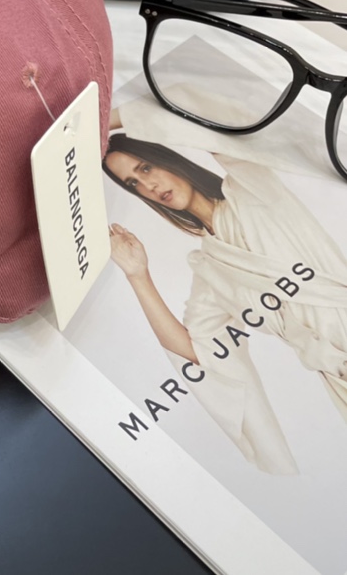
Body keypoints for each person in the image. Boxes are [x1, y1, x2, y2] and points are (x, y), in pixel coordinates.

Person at [104, 88, 347, 474]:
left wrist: (100, 125)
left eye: (145, 168)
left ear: (164, 156)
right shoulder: (209, 269)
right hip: (339, 379)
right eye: (133, 184)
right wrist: (138, 275)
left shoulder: (250, 187)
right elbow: (196, 351)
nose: (147, 186)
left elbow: (206, 111)